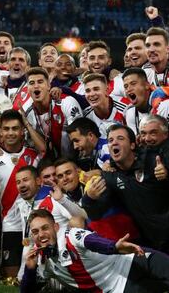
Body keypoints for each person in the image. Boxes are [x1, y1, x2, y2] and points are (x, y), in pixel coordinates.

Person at [21, 209, 169, 293]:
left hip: (132, 260)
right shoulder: (39, 261)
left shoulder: (71, 236)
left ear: (56, 227)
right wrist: (29, 270)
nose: (40, 234)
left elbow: (94, 242)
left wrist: (114, 247)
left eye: (45, 228)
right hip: (119, 288)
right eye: (35, 231)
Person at [83, 124, 169, 252]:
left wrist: (167, 173)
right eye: (110, 140)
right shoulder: (110, 177)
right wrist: (89, 199)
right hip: (153, 242)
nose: (114, 143)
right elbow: (96, 215)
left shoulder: (153, 160)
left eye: (120, 138)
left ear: (132, 145)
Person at [0, 109, 40, 278]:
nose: (11, 133)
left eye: (15, 128)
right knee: (11, 277)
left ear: (23, 131)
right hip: (10, 224)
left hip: (36, 223)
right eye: (6, 129)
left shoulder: (34, 156)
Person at [24, 67, 82, 158]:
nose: (36, 86)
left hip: (74, 161)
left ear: (48, 86)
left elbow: (80, 137)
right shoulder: (28, 114)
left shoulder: (66, 102)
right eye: (31, 83)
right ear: (27, 88)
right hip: (48, 163)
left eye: (40, 82)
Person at [82, 73, 127, 138]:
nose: (91, 94)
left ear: (107, 91)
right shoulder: (85, 116)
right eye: (88, 91)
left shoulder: (125, 109)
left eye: (96, 89)